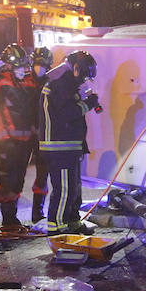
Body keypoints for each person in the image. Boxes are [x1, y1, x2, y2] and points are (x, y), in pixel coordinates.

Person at [39, 49, 98, 234]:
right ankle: (57, 227)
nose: (84, 79)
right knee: (64, 188)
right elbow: (67, 114)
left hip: (69, 146)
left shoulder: (68, 85)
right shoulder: (61, 85)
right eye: (85, 74)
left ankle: (72, 221)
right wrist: (88, 104)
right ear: (76, 68)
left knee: (73, 187)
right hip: (59, 147)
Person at [0, 43, 38, 231]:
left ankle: (10, 218)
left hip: (24, 142)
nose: (24, 70)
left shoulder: (24, 84)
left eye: (25, 66)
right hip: (6, 142)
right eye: (20, 66)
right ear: (9, 66)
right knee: (5, 180)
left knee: (18, 181)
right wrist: (5, 139)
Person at [28, 46, 54, 225]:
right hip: (25, 135)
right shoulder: (24, 82)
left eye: (43, 64)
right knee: (14, 177)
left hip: (42, 136)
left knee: (42, 175)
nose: (40, 67)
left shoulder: (51, 82)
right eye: (37, 63)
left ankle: (37, 212)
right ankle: (7, 218)